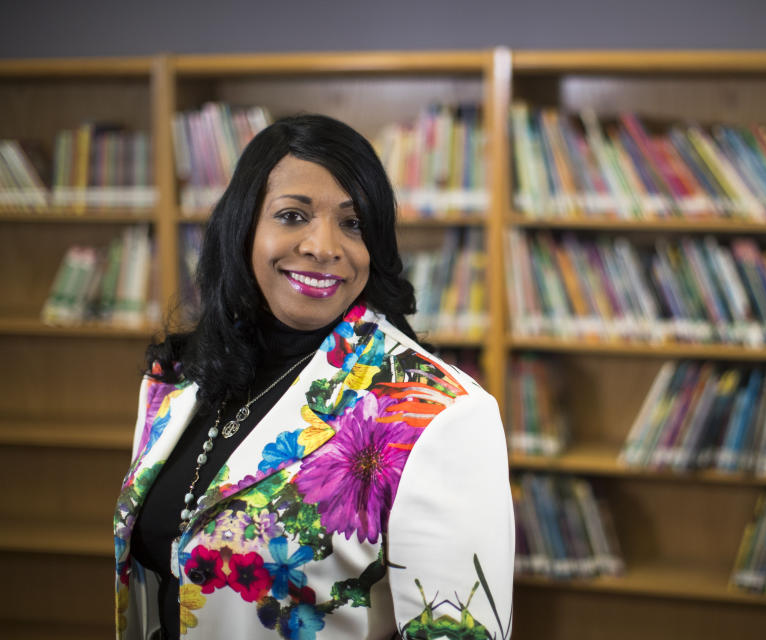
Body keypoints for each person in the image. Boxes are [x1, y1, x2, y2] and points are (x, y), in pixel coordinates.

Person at [113, 114, 514, 640]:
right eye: (293, 215)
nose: (323, 246)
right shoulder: (180, 379)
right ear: (244, 227)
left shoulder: (440, 414)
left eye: (352, 223)